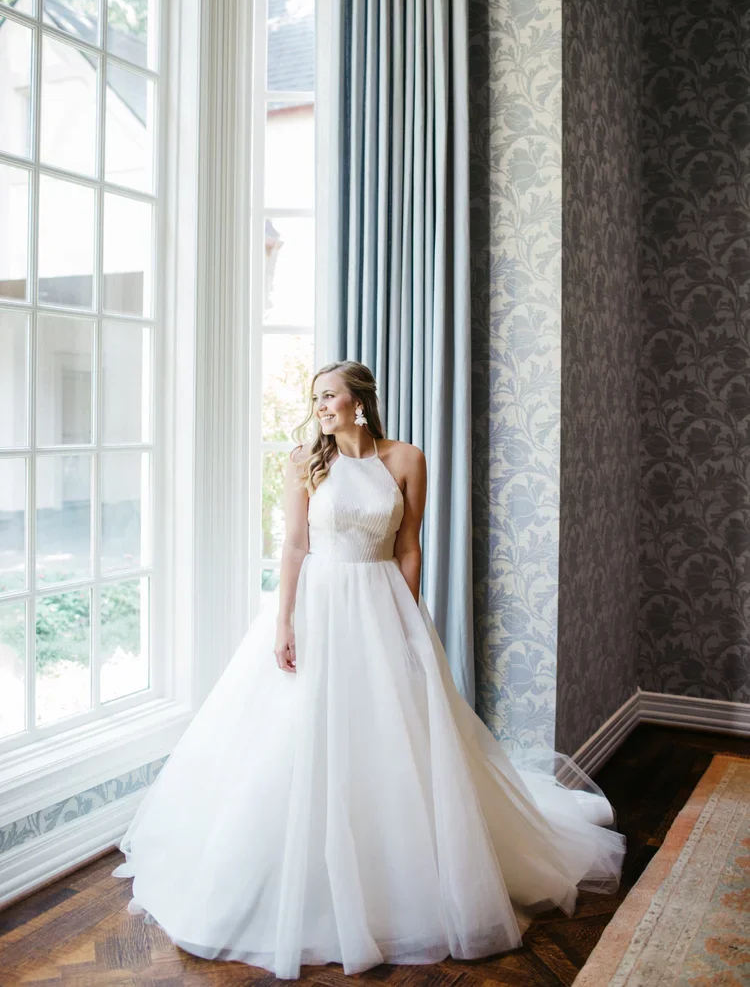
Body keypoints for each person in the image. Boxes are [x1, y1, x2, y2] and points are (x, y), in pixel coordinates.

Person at [112, 359, 626, 979]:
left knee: (394, 735)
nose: (320, 407)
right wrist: (284, 623)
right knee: (301, 735)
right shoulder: (305, 462)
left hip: (383, 604)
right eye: (315, 398)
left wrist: (407, 621)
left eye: (329, 396)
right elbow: (295, 546)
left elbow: (408, 547)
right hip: (322, 607)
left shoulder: (406, 459)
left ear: (359, 401)